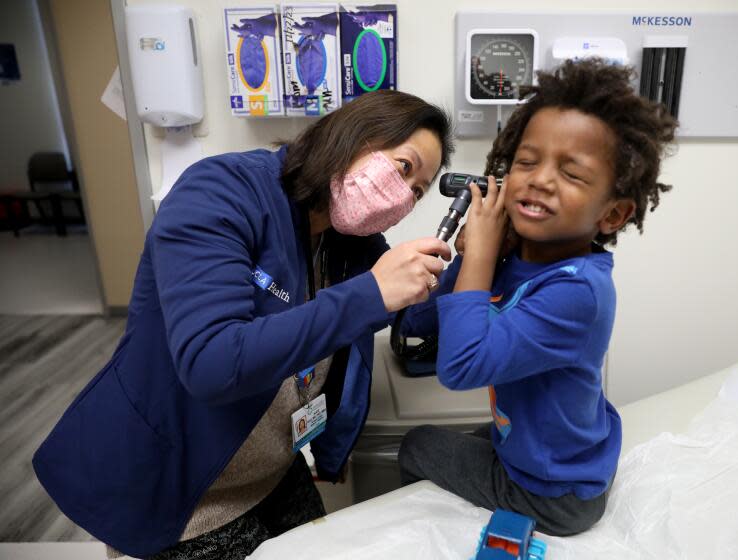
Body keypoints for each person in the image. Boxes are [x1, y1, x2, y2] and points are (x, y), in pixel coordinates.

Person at [33, 90, 453, 559]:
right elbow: (212, 362)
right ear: (352, 134)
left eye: (417, 191)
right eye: (403, 167)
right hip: (184, 490)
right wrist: (370, 293)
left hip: (271, 469)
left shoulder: (348, 239)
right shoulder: (220, 191)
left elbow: (411, 310)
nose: (403, 196)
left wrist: (480, 256)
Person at [397, 58, 678, 536]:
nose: (540, 179)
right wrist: (470, 257)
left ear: (612, 214)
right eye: (527, 161)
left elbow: (460, 367)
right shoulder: (517, 254)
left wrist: (483, 256)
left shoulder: (579, 292)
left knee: (416, 446)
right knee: (463, 440)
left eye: (571, 173)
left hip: (558, 494)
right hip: (539, 445)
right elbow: (421, 325)